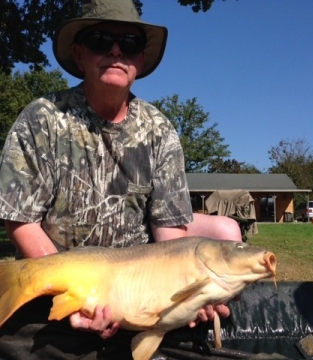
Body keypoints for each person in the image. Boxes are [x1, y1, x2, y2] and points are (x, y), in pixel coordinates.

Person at [0, 0, 242, 358]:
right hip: (66, 266)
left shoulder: (160, 130)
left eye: (129, 43)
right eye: (100, 40)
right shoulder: (42, 118)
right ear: (79, 55)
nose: (116, 50)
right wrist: (74, 299)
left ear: (139, 61)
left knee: (227, 234)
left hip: (138, 276)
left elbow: (169, 232)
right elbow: (19, 217)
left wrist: (192, 294)